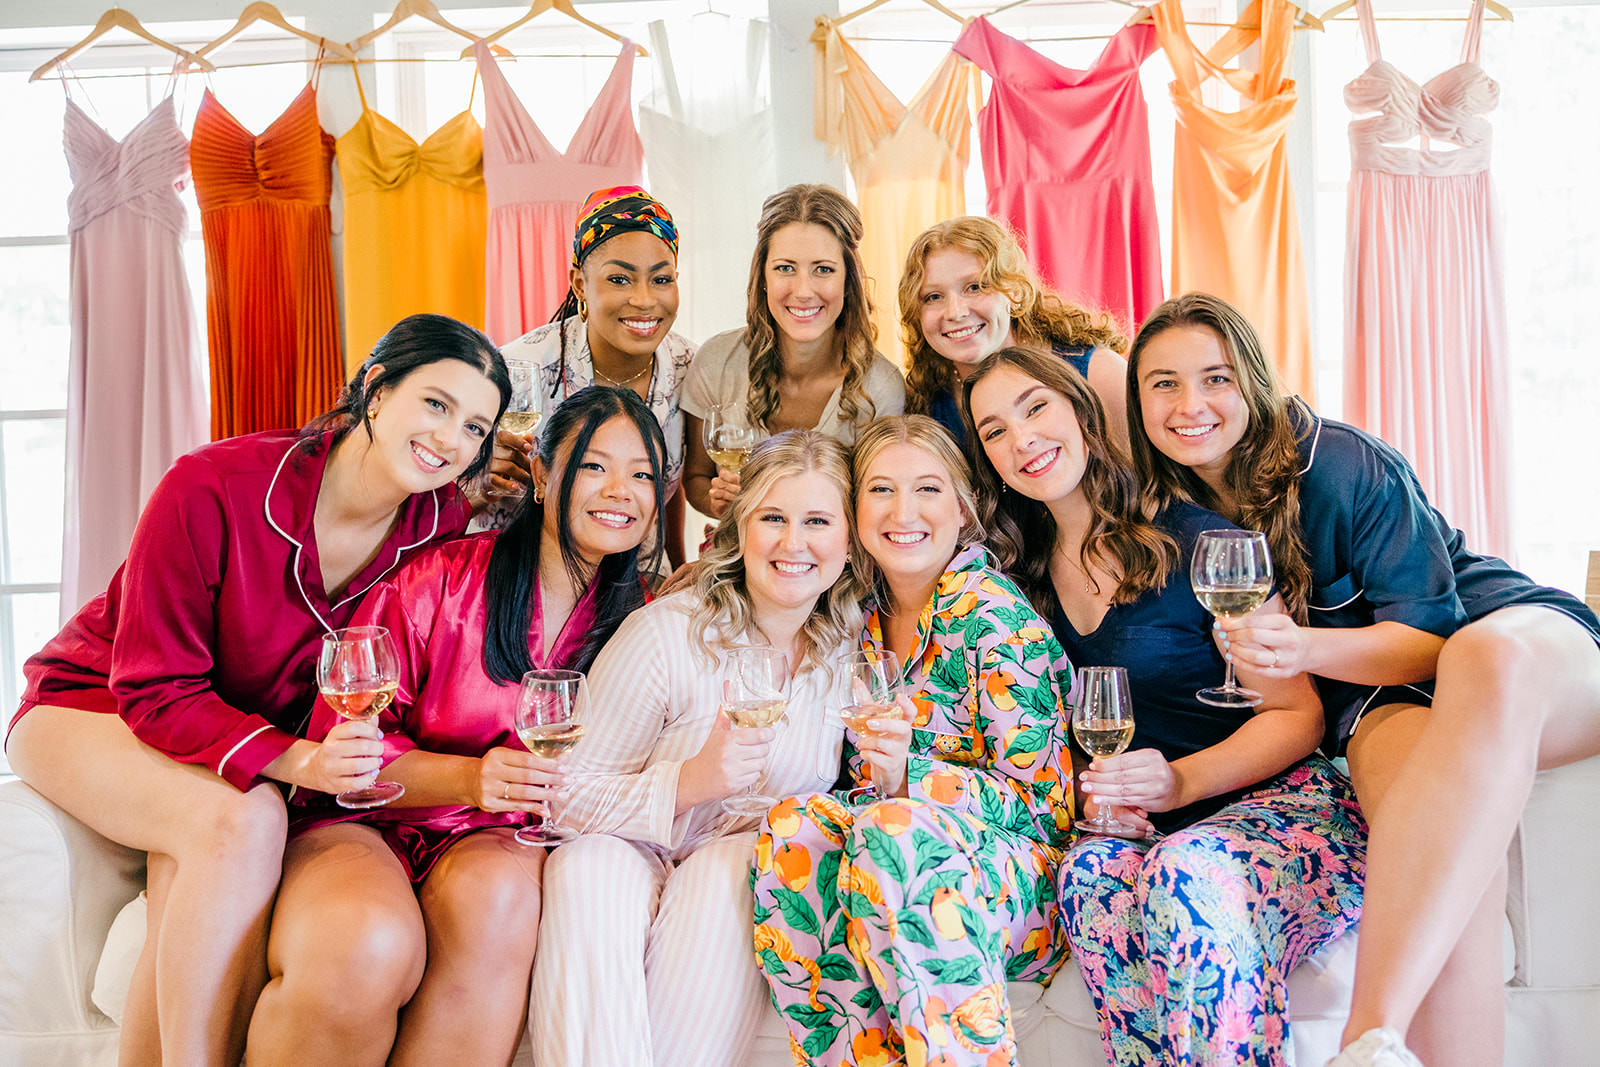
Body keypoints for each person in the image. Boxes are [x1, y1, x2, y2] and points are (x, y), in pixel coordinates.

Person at [4, 314, 509, 1066]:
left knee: (201, 856)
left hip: (224, 742)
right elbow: (153, 687)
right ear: (376, 389)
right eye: (435, 403)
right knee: (244, 818)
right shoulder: (212, 486)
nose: (450, 438)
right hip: (96, 705)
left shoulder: (441, 524)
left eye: (475, 427)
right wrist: (300, 761)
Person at [1123, 292, 1600, 1067]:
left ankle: (1364, 1036)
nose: (1190, 405)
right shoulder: (1166, 511)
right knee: (1444, 869)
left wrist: (1300, 647)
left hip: (1502, 637)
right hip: (1374, 703)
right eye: (1164, 383)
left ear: (1252, 379)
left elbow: (1432, 638)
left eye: (1214, 378)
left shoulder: (1340, 459)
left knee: (1484, 659)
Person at [964, 345, 1365, 1066]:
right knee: (1087, 879)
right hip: (1155, 827)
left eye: (1035, 407)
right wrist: (1102, 794)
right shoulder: (1019, 581)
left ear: (1082, 412)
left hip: (1283, 806)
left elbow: (1297, 715)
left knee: (1185, 874)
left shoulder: (1203, 544)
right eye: (995, 430)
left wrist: (1178, 781)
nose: (1021, 439)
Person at [244, 387, 667, 1065]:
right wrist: (471, 778)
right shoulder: (442, 577)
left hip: (495, 840)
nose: (620, 490)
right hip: (367, 819)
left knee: (500, 902)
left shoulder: (644, 623)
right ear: (541, 473)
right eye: (594, 465)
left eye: (642, 474)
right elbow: (343, 751)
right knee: (364, 941)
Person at [529, 430, 866, 1066]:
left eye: (818, 521)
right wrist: (688, 783)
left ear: (849, 541)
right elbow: (563, 798)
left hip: (732, 869)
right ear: (740, 530)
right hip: (626, 849)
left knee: (730, 869)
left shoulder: (849, 655)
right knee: (588, 870)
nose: (793, 543)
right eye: (773, 518)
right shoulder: (667, 633)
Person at [754, 414, 1075, 1067]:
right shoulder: (859, 612)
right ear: (855, 513)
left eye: (927, 488)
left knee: (894, 829)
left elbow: (1048, 812)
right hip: (886, 851)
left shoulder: (995, 616)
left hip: (1020, 881)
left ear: (963, 508)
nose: (903, 512)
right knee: (794, 827)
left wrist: (912, 777)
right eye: (881, 490)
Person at [480, 185, 695, 567]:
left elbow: (669, 485)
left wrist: (678, 566)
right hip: (518, 573)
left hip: (638, 576)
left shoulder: (689, 368)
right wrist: (479, 470)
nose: (645, 300)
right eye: (620, 279)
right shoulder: (514, 371)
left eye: (661, 279)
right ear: (580, 283)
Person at [682, 183, 905, 521]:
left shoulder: (882, 387)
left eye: (823, 269)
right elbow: (697, 477)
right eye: (785, 268)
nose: (803, 291)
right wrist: (718, 503)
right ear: (763, 276)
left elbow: (880, 504)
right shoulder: (716, 362)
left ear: (848, 280)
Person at [898, 215, 1130, 450]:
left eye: (975, 287)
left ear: (1015, 292)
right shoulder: (924, 406)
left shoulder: (1100, 374)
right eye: (933, 297)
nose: (955, 312)